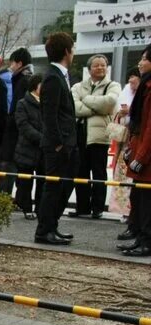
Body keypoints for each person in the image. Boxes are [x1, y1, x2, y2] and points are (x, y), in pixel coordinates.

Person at [35, 32, 78, 245]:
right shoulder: (52, 76)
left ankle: (52, 226)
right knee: (52, 188)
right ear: (66, 51)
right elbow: (49, 114)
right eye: (73, 49)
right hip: (57, 145)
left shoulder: (60, 75)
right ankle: (44, 230)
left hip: (65, 143)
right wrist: (59, 142)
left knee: (62, 187)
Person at [71, 54, 120, 219]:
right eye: (96, 65)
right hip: (80, 134)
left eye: (103, 65)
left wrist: (85, 100)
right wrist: (96, 107)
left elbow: (110, 103)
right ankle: (82, 207)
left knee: (99, 172)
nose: (100, 68)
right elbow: (74, 107)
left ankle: (97, 208)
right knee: (80, 171)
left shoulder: (113, 85)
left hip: (100, 136)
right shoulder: (78, 86)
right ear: (89, 68)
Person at [121, 45, 151, 257]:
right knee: (139, 198)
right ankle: (140, 237)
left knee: (147, 201)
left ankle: (147, 241)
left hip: (148, 157)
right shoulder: (146, 85)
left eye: (144, 59)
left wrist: (140, 156)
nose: (140, 63)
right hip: (141, 150)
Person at [1, 47, 34, 194]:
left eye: (12, 63)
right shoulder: (26, 78)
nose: (10, 67)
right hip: (20, 128)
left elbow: (18, 107)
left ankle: (10, 197)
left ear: (19, 63)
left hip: (18, 129)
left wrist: (11, 122)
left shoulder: (23, 80)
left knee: (14, 164)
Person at [13, 74, 45, 219]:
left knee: (43, 181)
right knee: (26, 181)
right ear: (35, 85)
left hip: (43, 149)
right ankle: (26, 208)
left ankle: (40, 208)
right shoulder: (23, 103)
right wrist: (41, 138)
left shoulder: (48, 103)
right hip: (26, 148)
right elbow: (23, 125)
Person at [114, 68, 141, 234]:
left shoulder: (144, 92)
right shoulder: (125, 93)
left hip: (137, 141)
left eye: (135, 77)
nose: (132, 80)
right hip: (125, 142)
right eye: (130, 76)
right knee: (122, 176)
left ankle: (133, 213)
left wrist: (129, 111)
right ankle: (123, 211)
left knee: (135, 180)